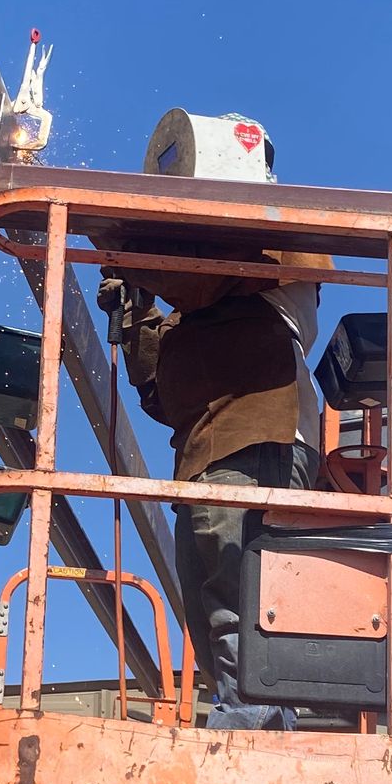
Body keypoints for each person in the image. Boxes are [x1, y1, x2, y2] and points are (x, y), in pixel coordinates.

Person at [99, 111, 320, 729]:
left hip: (258, 440)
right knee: (206, 603)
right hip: (208, 454)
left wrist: (118, 241)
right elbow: (160, 391)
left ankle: (251, 724)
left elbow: (200, 277)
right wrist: (134, 307)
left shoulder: (279, 235)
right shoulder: (199, 317)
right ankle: (250, 717)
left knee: (236, 594)